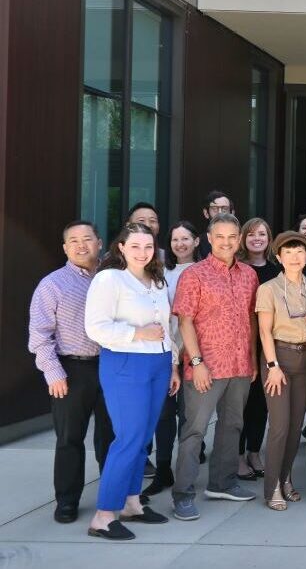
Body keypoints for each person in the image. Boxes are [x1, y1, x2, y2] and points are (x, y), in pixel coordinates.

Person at [83, 223, 177, 540]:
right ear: (121, 247)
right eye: (135, 246)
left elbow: (168, 327)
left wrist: (173, 364)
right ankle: (103, 515)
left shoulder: (157, 280)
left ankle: (132, 504)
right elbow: (95, 327)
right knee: (128, 438)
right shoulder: (109, 279)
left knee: (143, 438)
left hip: (159, 362)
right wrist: (136, 333)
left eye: (148, 246)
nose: (142, 252)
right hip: (126, 363)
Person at [171, 214, 259, 521]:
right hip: (205, 366)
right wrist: (197, 363)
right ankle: (183, 494)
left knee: (232, 425)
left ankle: (223, 483)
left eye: (231, 236)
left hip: (240, 365)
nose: (226, 242)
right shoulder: (194, 275)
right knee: (194, 431)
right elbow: (184, 321)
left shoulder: (249, 274)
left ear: (239, 239)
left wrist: (253, 359)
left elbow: (251, 319)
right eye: (219, 236)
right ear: (209, 238)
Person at [28, 220, 114, 524]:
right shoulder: (52, 284)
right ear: (65, 248)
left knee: (111, 436)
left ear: (99, 243)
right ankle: (66, 501)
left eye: (87, 239)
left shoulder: (111, 279)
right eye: (74, 241)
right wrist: (53, 372)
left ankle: (112, 496)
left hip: (111, 367)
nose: (81, 245)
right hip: (71, 369)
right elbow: (39, 335)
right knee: (69, 438)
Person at [254, 231, 306, 510]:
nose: (295, 257)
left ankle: (286, 476)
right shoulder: (268, 289)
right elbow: (265, 332)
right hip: (278, 359)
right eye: (288, 252)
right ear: (279, 257)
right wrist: (272, 366)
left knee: (295, 427)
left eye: (300, 252)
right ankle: (272, 488)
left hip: (305, 360)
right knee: (279, 427)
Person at [143, 221, 202, 499]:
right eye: (175, 239)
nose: (181, 244)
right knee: (164, 414)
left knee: (190, 415)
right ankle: (164, 468)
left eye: (186, 238)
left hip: (197, 353)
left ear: (197, 241)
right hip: (166, 352)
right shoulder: (159, 275)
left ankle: (186, 470)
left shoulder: (205, 272)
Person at [234, 218, 278, 484]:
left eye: (262, 233)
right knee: (240, 403)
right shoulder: (237, 268)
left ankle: (253, 451)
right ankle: (237, 455)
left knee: (262, 403)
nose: (257, 238)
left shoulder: (276, 270)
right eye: (251, 234)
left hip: (268, 344)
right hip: (241, 343)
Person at [196, 190, 235, 258]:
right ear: (206, 213)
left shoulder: (241, 241)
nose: (220, 212)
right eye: (215, 209)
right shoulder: (198, 243)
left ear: (232, 213)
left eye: (224, 209)